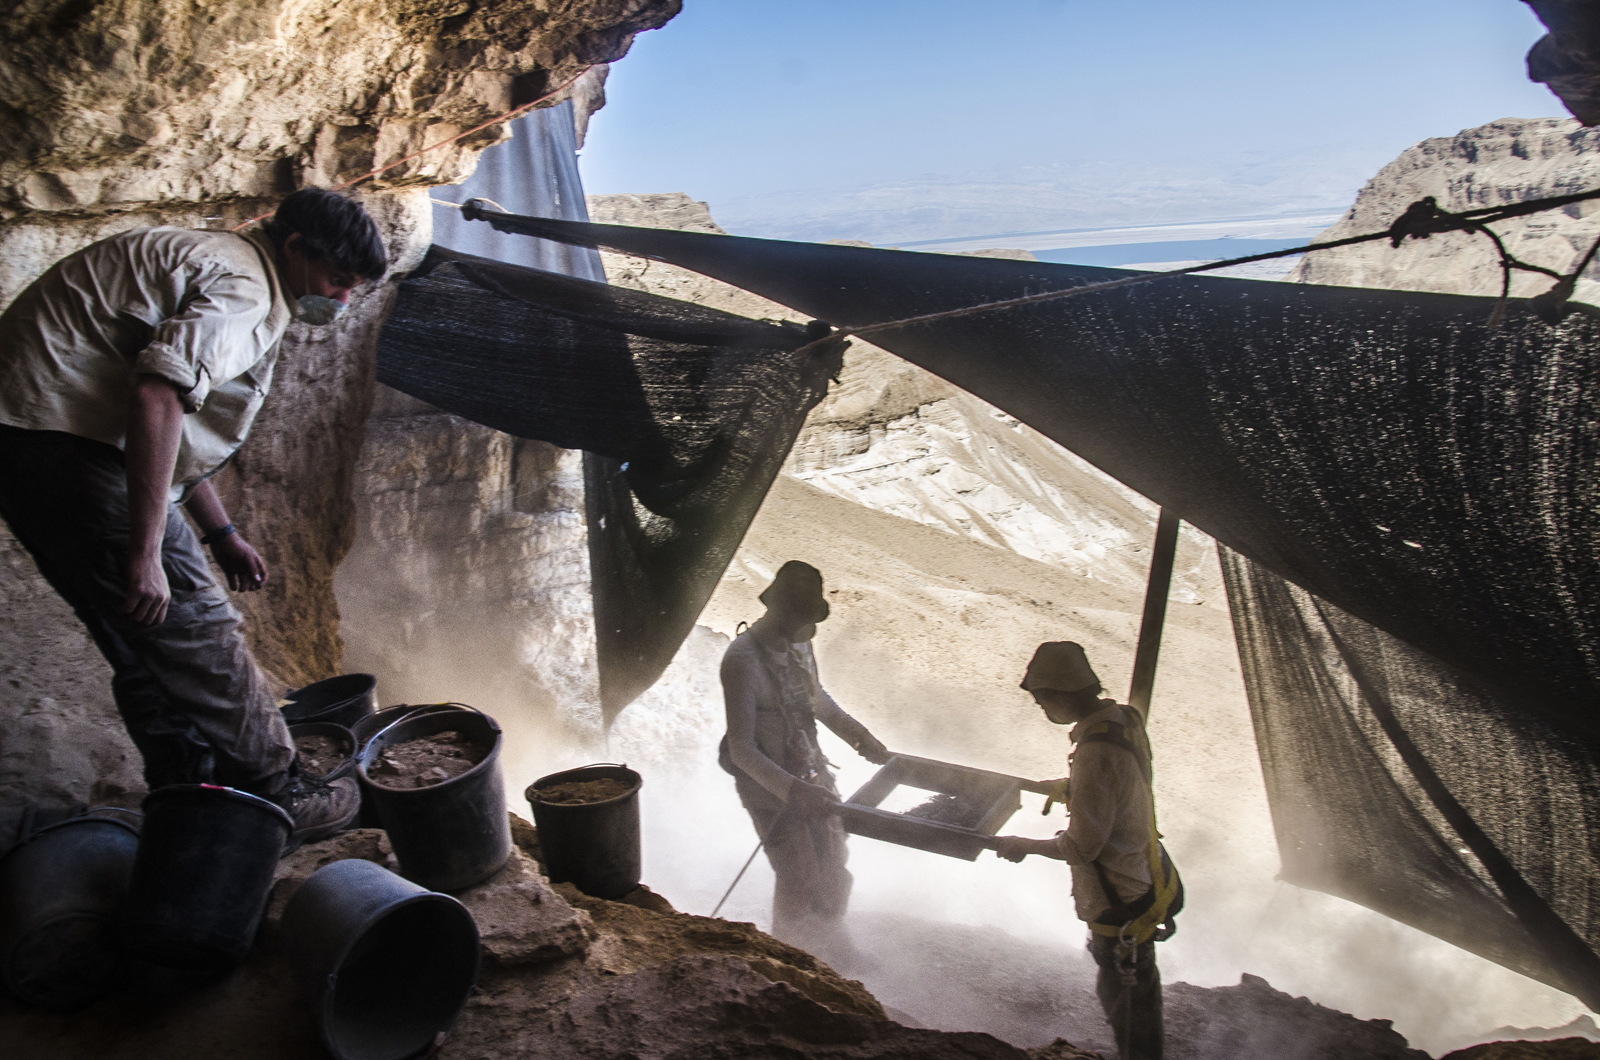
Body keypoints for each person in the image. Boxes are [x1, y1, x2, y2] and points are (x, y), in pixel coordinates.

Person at [0, 187, 388, 848]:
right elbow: (157, 394)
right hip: (70, 450)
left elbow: (171, 430)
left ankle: (189, 790)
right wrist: (149, 551)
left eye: (355, 289)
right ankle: (279, 786)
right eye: (336, 280)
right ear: (294, 247)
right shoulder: (245, 287)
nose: (341, 300)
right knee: (196, 621)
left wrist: (221, 532)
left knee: (138, 634)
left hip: (24, 443)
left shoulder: (218, 258)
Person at [993, 641, 1182, 1060]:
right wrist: (1052, 787)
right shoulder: (1122, 721)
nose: (1043, 710)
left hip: (1120, 898)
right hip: (1143, 875)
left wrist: (1025, 845)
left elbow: (1082, 845)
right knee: (1128, 993)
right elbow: (1117, 788)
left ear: (1061, 695)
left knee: (1128, 1004)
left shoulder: (1095, 753)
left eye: (1043, 701)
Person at [719, 560, 891, 945]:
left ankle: (830, 944)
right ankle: (791, 954)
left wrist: (860, 737)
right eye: (801, 617)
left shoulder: (800, 644)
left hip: (811, 771)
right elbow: (741, 749)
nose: (807, 628)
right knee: (799, 876)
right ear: (782, 613)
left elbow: (817, 700)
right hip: (769, 786)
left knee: (834, 867)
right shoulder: (741, 660)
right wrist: (793, 791)